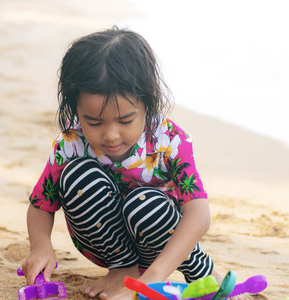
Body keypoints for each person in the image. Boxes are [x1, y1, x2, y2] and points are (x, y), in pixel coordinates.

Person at [21, 26, 221, 300]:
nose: (111, 135)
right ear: (76, 109)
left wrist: (151, 280)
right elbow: (41, 204)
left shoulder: (170, 140)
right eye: (94, 122)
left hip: (159, 237)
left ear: (148, 104)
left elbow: (199, 215)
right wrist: (40, 246)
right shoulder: (71, 141)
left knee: (146, 203)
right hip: (102, 243)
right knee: (78, 174)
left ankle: (201, 269)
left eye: (126, 120)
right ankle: (122, 269)